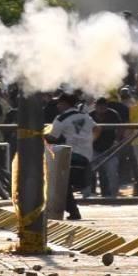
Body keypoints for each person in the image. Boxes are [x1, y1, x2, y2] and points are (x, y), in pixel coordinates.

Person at [44, 92, 100, 220]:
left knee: (60, 184)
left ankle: (72, 211)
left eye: (59, 103)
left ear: (65, 103)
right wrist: (88, 142)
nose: (57, 105)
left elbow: (53, 137)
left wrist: (38, 135)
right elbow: (98, 129)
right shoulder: (85, 116)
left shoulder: (61, 119)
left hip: (71, 157)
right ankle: (73, 211)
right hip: (86, 157)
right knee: (65, 185)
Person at [87, 97, 122, 197]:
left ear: (107, 106)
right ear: (95, 106)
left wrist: (116, 141)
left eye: (104, 105)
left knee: (112, 173)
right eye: (99, 105)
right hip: (93, 148)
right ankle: (86, 196)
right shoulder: (90, 115)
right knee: (88, 172)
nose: (101, 107)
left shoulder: (113, 114)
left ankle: (114, 196)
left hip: (110, 148)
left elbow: (120, 128)